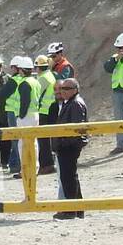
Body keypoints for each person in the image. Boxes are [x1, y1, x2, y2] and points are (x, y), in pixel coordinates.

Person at [43, 77, 87, 220]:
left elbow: (76, 129)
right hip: (66, 146)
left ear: (75, 90)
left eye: (66, 89)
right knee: (71, 177)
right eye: (62, 89)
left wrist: (64, 143)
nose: (62, 91)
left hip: (69, 147)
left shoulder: (75, 104)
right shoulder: (71, 103)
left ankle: (70, 211)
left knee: (68, 178)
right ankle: (78, 209)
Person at [1, 56, 34, 176]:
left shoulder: (15, 80)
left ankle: (19, 166)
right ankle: (17, 164)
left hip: (15, 112)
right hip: (29, 113)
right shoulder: (31, 80)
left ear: (16, 68)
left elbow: (2, 94)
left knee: (17, 141)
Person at [34, 55, 57, 174]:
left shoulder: (43, 78)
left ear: (38, 68)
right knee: (46, 139)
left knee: (43, 140)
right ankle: (48, 163)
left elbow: (36, 94)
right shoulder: (49, 75)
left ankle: (46, 164)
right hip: (49, 109)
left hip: (44, 111)